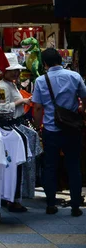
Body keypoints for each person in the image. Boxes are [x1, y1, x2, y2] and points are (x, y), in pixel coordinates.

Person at [32, 48, 86, 217]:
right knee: (73, 166)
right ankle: (76, 206)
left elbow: (38, 107)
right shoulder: (74, 76)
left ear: (44, 63)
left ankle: (50, 204)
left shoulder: (41, 80)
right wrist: (82, 109)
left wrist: (37, 124)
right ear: (60, 60)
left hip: (51, 129)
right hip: (72, 129)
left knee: (50, 166)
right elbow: (84, 97)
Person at [0, 52, 31, 213]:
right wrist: (22, 101)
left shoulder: (11, 84)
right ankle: (12, 199)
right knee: (14, 164)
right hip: (9, 128)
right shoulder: (2, 86)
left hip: (14, 127)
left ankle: (10, 197)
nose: (16, 73)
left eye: (17, 70)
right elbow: (1, 109)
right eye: (13, 71)